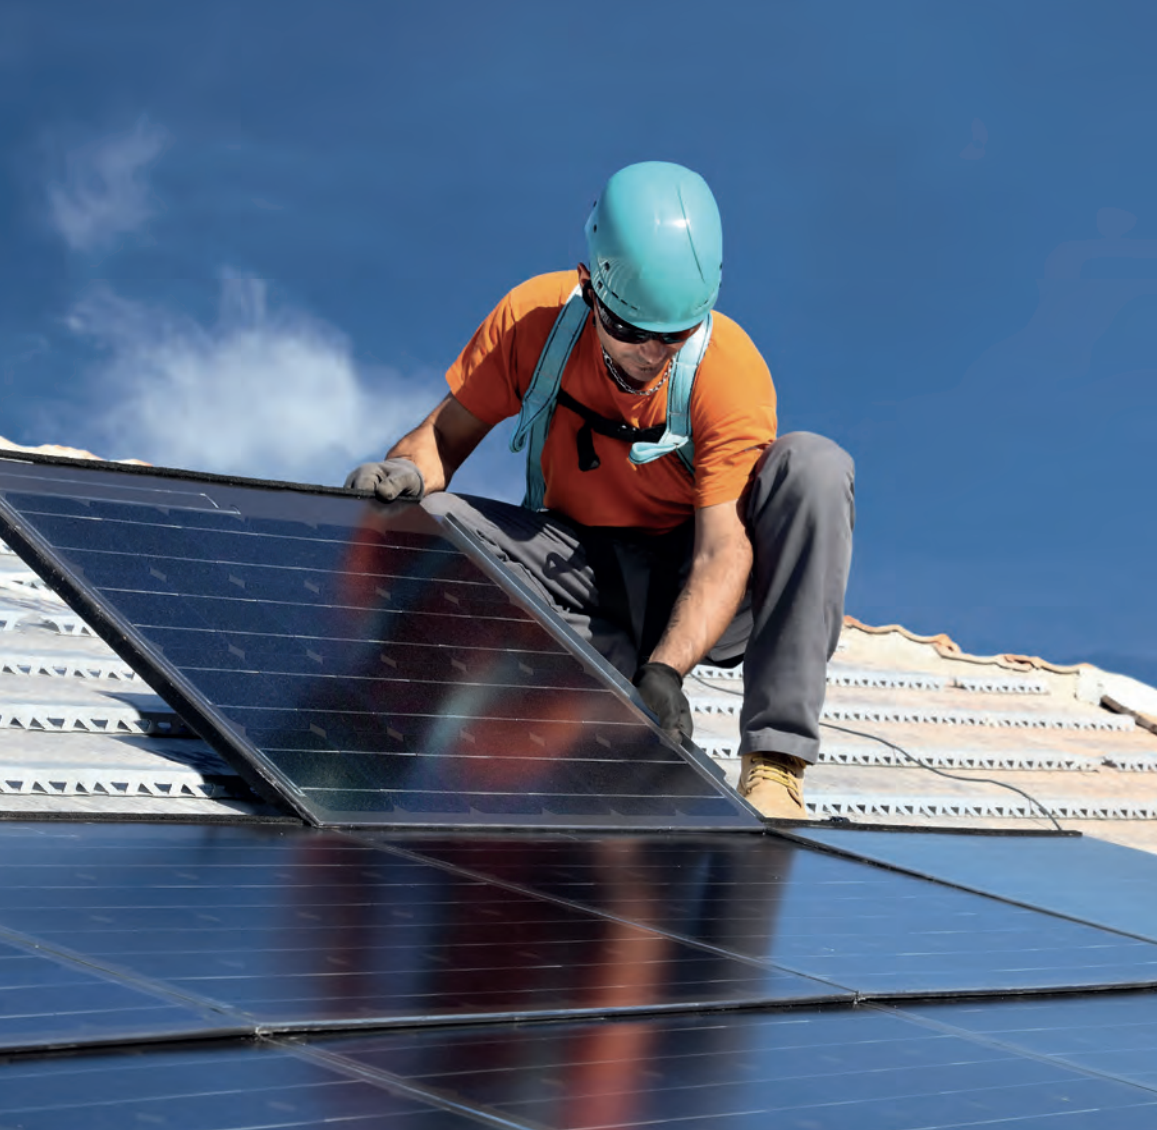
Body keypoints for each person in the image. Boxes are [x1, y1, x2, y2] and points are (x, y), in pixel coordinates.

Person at [345, 161, 854, 820]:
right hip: (583, 576)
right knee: (434, 519)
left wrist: (668, 670)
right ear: (591, 286)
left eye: (671, 337)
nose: (650, 354)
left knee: (813, 467)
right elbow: (441, 440)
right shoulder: (532, 321)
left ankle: (776, 764)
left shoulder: (729, 373)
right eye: (629, 332)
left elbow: (722, 550)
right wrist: (408, 475)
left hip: (696, 583)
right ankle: (426, 723)